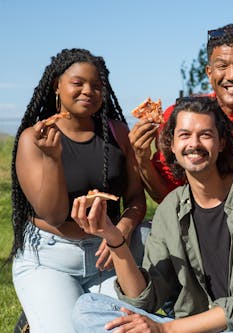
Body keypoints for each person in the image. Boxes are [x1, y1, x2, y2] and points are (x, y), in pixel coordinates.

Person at [71, 97, 233, 332]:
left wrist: (166, 330)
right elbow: (144, 299)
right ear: (172, 145)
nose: (194, 144)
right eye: (185, 135)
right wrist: (114, 238)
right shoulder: (170, 208)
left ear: (221, 143)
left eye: (206, 135)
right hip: (184, 327)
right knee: (87, 308)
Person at [10, 48, 146, 333]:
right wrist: (52, 159)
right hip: (50, 260)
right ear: (57, 85)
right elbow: (55, 215)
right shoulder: (35, 138)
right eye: (78, 83)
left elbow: (135, 198)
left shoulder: (118, 132)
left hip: (108, 258)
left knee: (125, 328)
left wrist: (121, 231)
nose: (89, 91)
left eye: (97, 86)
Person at [129, 23, 233, 203]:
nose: (232, 76)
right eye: (222, 66)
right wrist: (141, 159)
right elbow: (168, 197)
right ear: (209, 72)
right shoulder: (182, 117)